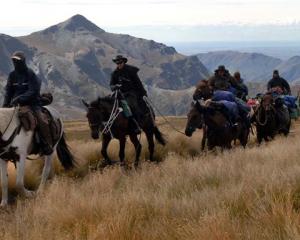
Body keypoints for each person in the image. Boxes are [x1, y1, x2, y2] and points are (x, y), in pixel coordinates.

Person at [3, 51, 53, 155]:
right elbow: (8, 92)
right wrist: (5, 106)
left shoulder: (30, 74)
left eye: (17, 61)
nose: (15, 62)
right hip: (15, 105)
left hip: (32, 104)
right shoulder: (12, 75)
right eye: (13, 60)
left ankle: (46, 144)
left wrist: (20, 99)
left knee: (41, 120)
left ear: (23, 61)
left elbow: (33, 91)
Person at [110, 55, 148, 134]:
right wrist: (115, 87)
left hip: (131, 93)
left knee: (131, 105)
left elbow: (138, 83)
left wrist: (143, 93)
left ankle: (136, 125)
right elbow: (111, 85)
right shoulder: (114, 73)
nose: (119, 64)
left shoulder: (130, 70)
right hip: (119, 94)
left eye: (120, 62)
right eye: (117, 63)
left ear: (123, 62)